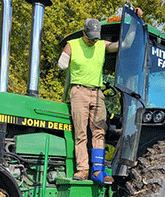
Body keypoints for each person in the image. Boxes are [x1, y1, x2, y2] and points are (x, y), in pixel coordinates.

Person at [58, 8, 143, 184]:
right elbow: (62, 65)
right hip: (79, 92)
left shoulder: (101, 45)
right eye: (90, 37)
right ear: (84, 32)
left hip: (97, 93)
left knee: (99, 132)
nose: (93, 40)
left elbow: (125, 45)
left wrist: (135, 22)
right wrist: (66, 54)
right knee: (81, 133)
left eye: (96, 37)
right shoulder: (72, 45)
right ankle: (82, 170)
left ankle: (98, 170)